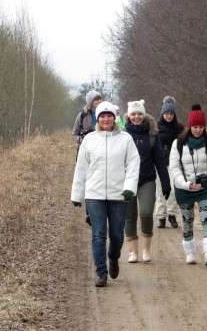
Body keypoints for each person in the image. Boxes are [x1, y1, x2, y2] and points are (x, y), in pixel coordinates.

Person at [71, 101, 140, 287]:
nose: (106, 119)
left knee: (117, 235)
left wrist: (129, 188)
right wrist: (77, 195)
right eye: (102, 116)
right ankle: (101, 273)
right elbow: (81, 168)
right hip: (95, 195)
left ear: (114, 118)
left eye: (109, 116)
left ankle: (113, 256)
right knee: (98, 234)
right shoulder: (89, 140)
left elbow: (133, 165)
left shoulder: (125, 139)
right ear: (98, 119)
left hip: (119, 195)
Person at [169, 104, 207, 266]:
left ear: (204, 127)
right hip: (184, 189)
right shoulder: (178, 144)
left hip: (205, 189)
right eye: (195, 127)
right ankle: (190, 252)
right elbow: (174, 169)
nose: (197, 130)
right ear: (189, 126)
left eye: (200, 127)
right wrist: (185, 184)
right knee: (187, 220)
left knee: (206, 218)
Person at [124, 99, 171, 263]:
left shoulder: (152, 134)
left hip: (147, 179)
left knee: (145, 213)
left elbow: (159, 159)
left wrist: (165, 181)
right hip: (127, 182)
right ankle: (132, 252)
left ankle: (146, 249)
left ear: (143, 115)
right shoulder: (122, 134)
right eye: (133, 114)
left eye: (139, 114)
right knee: (129, 216)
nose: (136, 117)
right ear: (128, 116)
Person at [72, 90, 103, 226]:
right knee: (87, 181)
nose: (98, 102)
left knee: (99, 180)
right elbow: (74, 133)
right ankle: (90, 212)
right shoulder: (82, 115)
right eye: (95, 100)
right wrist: (82, 140)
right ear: (90, 102)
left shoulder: (106, 113)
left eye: (99, 99)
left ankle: (99, 208)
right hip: (85, 153)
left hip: (101, 152)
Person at [155, 96, 184, 228]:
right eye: (166, 113)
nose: (168, 116)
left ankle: (172, 215)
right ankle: (161, 216)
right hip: (160, 163)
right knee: (160, 191)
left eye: (171, 113)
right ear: (162, 114)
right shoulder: (155, 127)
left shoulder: (179, 128)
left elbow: (184, 145)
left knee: (173, 189)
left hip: (174, 163)